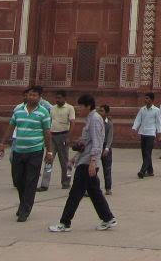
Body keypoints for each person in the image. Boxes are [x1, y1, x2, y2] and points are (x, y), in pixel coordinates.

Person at [48, 94, 116, 233]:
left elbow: (97, 143)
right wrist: (75, 157)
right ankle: (108, 218)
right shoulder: (90, 119)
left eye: (80, 106)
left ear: (88, 106)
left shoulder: (95, 120)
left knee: (75, 192)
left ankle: (65, 222)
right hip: (86, 160)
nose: (78, 109)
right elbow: (87, 143)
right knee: (94, 191)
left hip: (88, 163)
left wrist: (92, 161)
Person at [0, 85, 54, 222]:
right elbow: (11, 127)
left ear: (40, 98)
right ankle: (23, 203)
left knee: (30, 181)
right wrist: (2, 143)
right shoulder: (18, 110)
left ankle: (25, 210)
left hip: (35, 150)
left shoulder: (43, 113)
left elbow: (47, 133)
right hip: (18, 150)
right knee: (18, 180)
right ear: (26, 96)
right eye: (30, 95)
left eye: (35, 95)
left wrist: (49, 151)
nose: (32, 97)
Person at [40, 89, 74, 191]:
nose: (57, 100)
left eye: (59, 98)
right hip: (52, 136)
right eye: (56, 98)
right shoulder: (52, 108)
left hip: (63, 135)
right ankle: (44, 184)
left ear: (64, 98)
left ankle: (66, 182)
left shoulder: (70, 108)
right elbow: (49, 122)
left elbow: (72, 123)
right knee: (49, 159)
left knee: (65, 161)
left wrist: (69, 137)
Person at [132, 93, 159, 179]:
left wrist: (159, 134)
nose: (145, 100)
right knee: (144, 153)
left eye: (147, 98)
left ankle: (142, 171)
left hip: (151, 134)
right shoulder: (142, 110)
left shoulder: (156, 110)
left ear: (151, 100)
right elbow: (138, 120)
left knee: (147, 153)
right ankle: (150, 171)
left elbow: (158, 123)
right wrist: (134, 129)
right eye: (145, 98)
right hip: (143, 133)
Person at [99, 105, 114, 196]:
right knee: (94, 168)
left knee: (107, 168)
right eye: (99, 111)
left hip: (105, 146)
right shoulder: (96, 122)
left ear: (107, 113)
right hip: (97, 145)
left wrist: (107, 148)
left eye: (102, 111)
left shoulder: (109, 123)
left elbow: (110, 137)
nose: (100, 113)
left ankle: (108, 188)